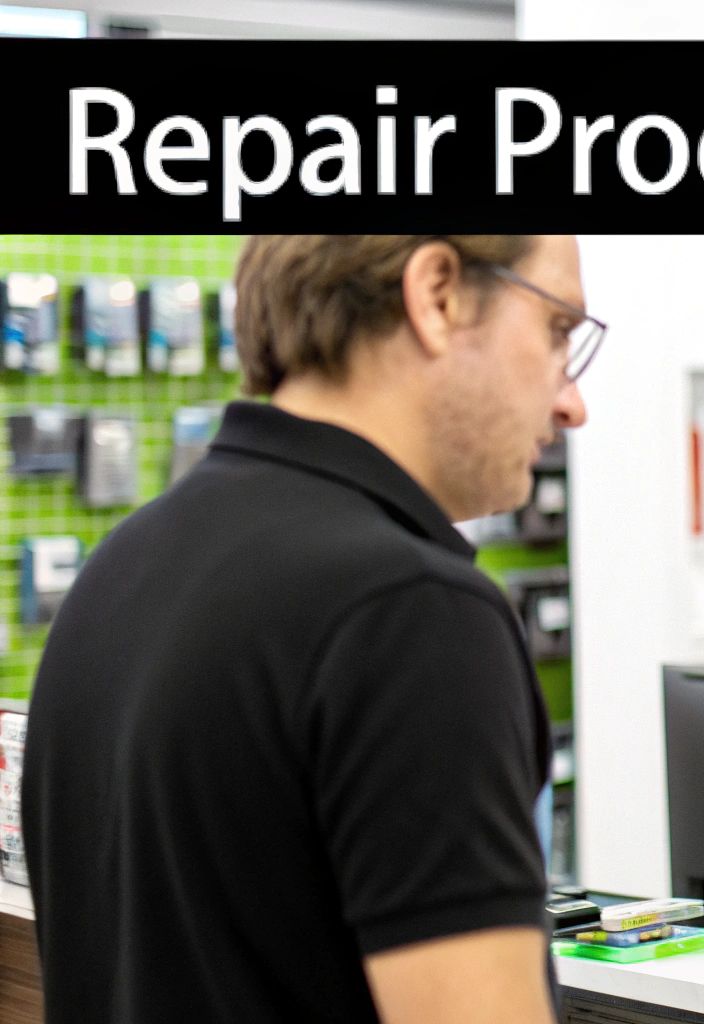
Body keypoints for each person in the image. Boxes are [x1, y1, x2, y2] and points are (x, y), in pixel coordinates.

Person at [21, 235, 597, 1023]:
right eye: (558, 331)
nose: (573, 402)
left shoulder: (127, 562)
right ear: (437, 295)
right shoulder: (410, 612)